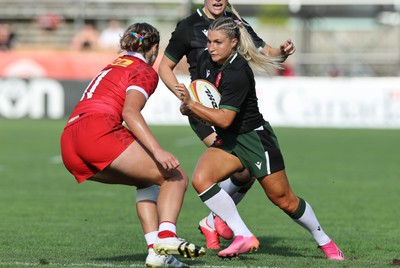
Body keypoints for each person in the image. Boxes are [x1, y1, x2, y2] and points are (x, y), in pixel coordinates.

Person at [175, 16, 345, 260]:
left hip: (254, 140)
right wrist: (189, 107)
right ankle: (242, 234)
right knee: (201, 179)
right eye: (209, 41)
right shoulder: (205, 59)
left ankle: (325, 242)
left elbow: (223, 119)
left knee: (284, 200)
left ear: (233, 43)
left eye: (218, 42)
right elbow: (203, 97)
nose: (210, 47)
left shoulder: (238, 71)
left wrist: (192, 106)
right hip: (230, 141)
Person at [60, 22, 205, 267]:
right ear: (154, 48)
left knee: (147, 179)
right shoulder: (144, 70)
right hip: (98, 132)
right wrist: (158, 151)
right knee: (175, 175)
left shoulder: (113, 65)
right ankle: (167, 236)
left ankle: (156, 254)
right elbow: (130, 112)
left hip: (69, 140)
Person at [158, 0, 296, 250]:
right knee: (233, 170)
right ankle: (217, 222)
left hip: (232, 111)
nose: (218, 0)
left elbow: (265, 52)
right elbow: (164, 67)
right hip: (204, 112)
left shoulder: (236, 24)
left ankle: (213, 221)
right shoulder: (188, 27)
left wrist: (283, 51)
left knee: (245, 172)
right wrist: (185, 97)